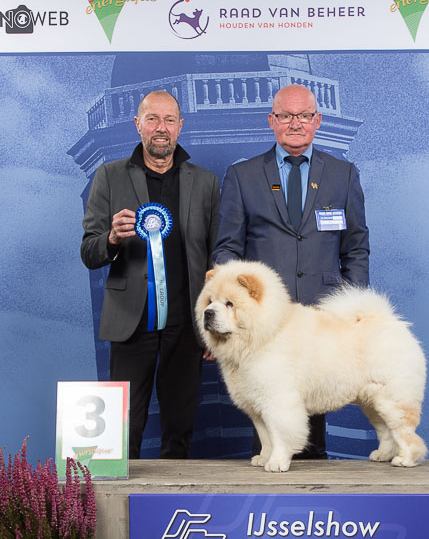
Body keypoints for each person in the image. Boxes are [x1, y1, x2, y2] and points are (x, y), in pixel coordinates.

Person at [212, 83, 370, 459]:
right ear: (272, 120)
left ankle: (315, 489)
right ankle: (269, 478)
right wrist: (229, 305)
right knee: (266, 404)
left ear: (317, 120)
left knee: (315, 413)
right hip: (265, 323)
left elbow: (355, 248)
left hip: (322, 317)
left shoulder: (344, 174)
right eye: (286, 115)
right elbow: (227, 249)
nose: (295, 123)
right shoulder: (242, 176)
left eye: (304, 115)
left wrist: (356, 312)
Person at [81, 90, 219, 459]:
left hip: (187, 325)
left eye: (169, 120)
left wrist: (213, 326)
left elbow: (217, 259)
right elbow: (89, 252)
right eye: (152, 119)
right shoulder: (109, 176)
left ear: (180, 126)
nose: (161, 127)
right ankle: (121, 494)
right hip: (130, 323)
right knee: (122, 434)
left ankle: (173, 495)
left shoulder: (206, 183)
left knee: (180, 432)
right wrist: (111, 238)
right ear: (138, 125)